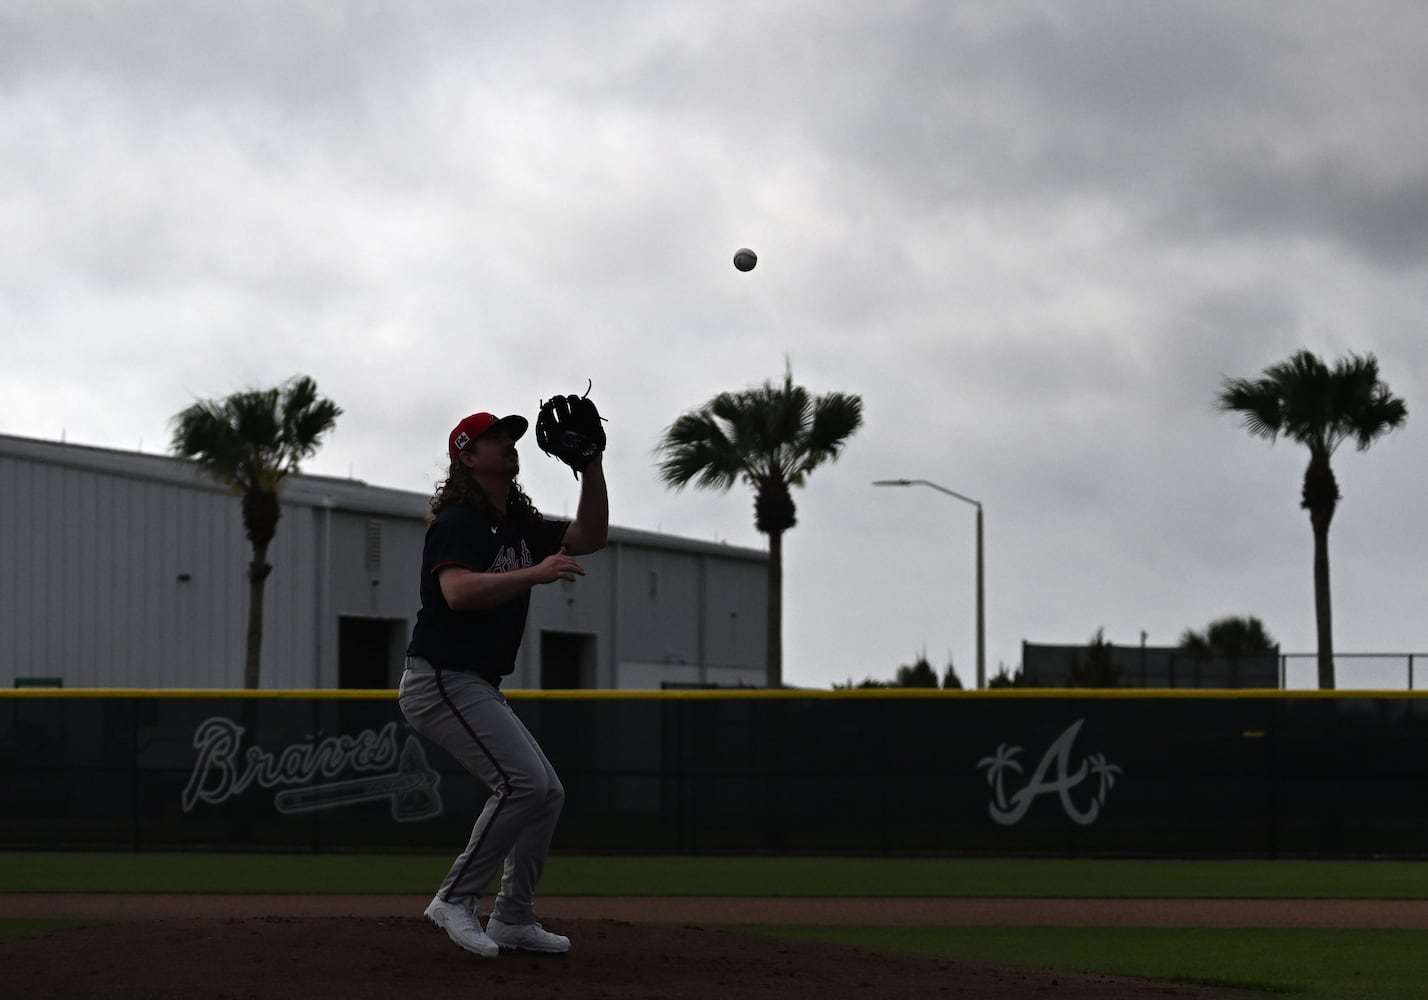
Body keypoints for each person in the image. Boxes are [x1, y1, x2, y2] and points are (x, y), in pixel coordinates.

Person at [398, 408, 608, 958]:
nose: (509, 445)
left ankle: (513, 917)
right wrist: (536, 572)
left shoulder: (516, 523)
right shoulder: (458, 521)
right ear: (466, 456)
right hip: (439, 678)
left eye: (511, 438)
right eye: (494, 439)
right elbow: (459, 592)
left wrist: (592, 467)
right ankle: (455, 899)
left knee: (547, 793)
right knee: (523, 785)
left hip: (474, 683)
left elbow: (590, 535)